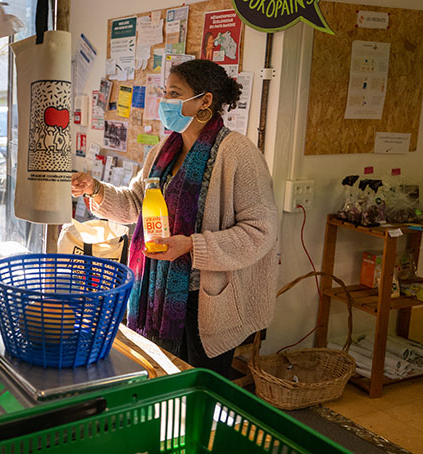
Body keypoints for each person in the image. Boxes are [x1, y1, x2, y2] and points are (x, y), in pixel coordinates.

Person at [71, 59, 278, 378]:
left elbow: (260, 232)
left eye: (174, 93)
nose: (165, 101)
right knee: (159, 381)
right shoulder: (161, 153)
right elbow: (134, 206)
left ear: (204, 101)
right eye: (164, 92)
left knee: (199, 391)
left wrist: (192, 246)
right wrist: (96, 189)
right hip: (154, 292)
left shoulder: (237, 153)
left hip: (204, 302)